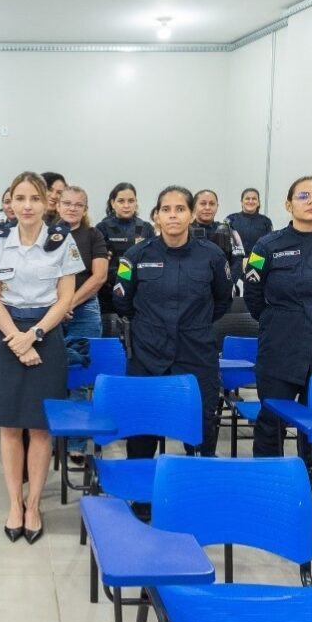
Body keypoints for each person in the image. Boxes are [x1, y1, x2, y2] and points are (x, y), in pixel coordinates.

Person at [0, 172, 83, 545]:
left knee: (39, 427)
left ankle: (34, 504)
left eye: (34, 199)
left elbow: (66, 298)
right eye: (19, 198)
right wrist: (15, 339)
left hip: (45, 333)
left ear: (46, 203)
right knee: (9, 426)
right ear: (11, 202)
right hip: (7, 333)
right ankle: (14, 504)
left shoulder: (62, 241)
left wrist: (34, 336)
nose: (26, 206)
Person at [243, 176, 312, 490]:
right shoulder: (267, 245)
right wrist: (280, 320)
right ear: (288, 204)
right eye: (303, 195)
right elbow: (253, 294)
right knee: (272, 418)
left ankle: (310, 490)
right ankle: (268, 486)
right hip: (281, 340)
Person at [111, 186, 232, 457]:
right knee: (142, 433)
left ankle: (197, 494)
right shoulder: (136, 256)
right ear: (157, 216)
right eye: (166, 209)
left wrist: (194, 325)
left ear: (191, 215)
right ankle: (142, 499)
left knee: (201, 432)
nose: (173, 215)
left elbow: (222, 300)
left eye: (180, 209)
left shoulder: (212, 256)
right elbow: (122, 302)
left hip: (196, 356)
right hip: (147, 356)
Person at [96, 182, 156, 336]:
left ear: (136, 202)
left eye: (131, 201)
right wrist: (124, 275)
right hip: (108, 296)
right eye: (121, 201)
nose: (126, 205)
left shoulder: (145, 228)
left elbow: (152, 263)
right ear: (112, 203)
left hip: (139, 297)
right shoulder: (102, 228)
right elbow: (100, 266)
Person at [55, 185, 109, 342]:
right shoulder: (45, 234)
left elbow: (100, 276)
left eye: (79, 205)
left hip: (84, 307)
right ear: (58, 206)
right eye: (67, 203)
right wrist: (59, 307)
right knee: (49, 362)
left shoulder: (94, 235)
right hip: (49, 306)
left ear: (85, 210)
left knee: (84, 359)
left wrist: (68, 304)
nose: (72, 208)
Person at [192, 189, 245, 280]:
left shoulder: (230, 231)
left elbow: (238, 261)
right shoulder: (184, 232)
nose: (207, 207)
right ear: (194, 207)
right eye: (203, 203)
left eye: (212, 204)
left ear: (217, 206)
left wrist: (229, 282)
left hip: (222, 286)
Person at [226, 188, 274, 261]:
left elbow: (269, 246)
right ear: (242, 202)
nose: (250, 201)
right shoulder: (231, 219)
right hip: (234, 262)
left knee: (253, 272)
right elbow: (224, 245)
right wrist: (240, 262)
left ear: (258, 202)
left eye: (254, 199)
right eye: (247, 198)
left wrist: (251, 261)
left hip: (258, 262)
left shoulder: (266, 221)